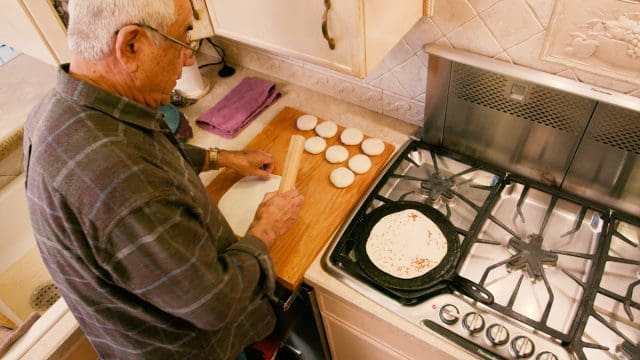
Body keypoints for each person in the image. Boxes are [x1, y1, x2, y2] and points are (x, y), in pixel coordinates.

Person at [22, 0, 304, 359]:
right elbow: (214, 304)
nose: (189, 58)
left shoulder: (58, 109)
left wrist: (220, 158)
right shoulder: (121, 179)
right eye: (184, 36)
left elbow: (145, 152)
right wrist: (267, 227)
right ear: (131, 46)